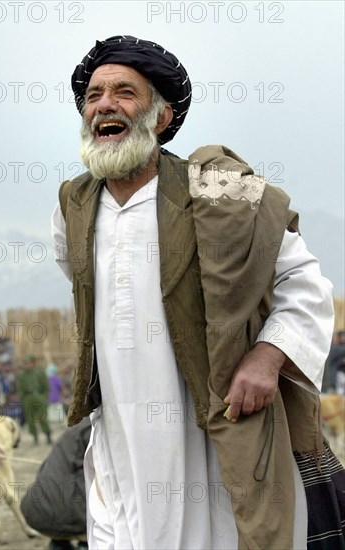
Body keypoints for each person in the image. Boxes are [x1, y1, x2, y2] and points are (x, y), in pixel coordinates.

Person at [51, 36, 344, 549]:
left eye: (124, 92)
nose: (104, 106)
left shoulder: (220, 190)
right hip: (118, 429)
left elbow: (305, 285)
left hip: (209, 428)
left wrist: (267, 357)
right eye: (94, 95)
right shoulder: (72, 205)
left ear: (162, 117)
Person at [21, 417, 91, 550]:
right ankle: (85, 543)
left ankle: (59, 544)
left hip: (36, 512)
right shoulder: (95, 429)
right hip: (71, 515)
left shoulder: (73, 431)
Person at [17, 355, 52, 445]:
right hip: (28, 398)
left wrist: (43, 397)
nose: (27, 365)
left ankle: (48, 435)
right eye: (26, 363)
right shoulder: (22, 375)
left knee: (42, 417)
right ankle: (35, 437)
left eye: (29, 363)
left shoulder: (40, 372)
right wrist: (23, 398)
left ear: (33, 363)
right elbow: (20, 388)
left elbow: (46, 386)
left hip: (39, 396)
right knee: (30, 419)